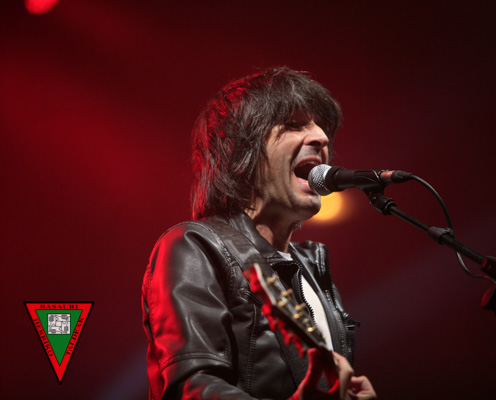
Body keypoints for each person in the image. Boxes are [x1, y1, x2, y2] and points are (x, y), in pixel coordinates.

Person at [142, 67, 377, 400]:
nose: (321, 137)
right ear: (242, 152)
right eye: (294, 125)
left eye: (321, 127)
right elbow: (190, 388)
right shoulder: (195, 246)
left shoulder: (312, 270)